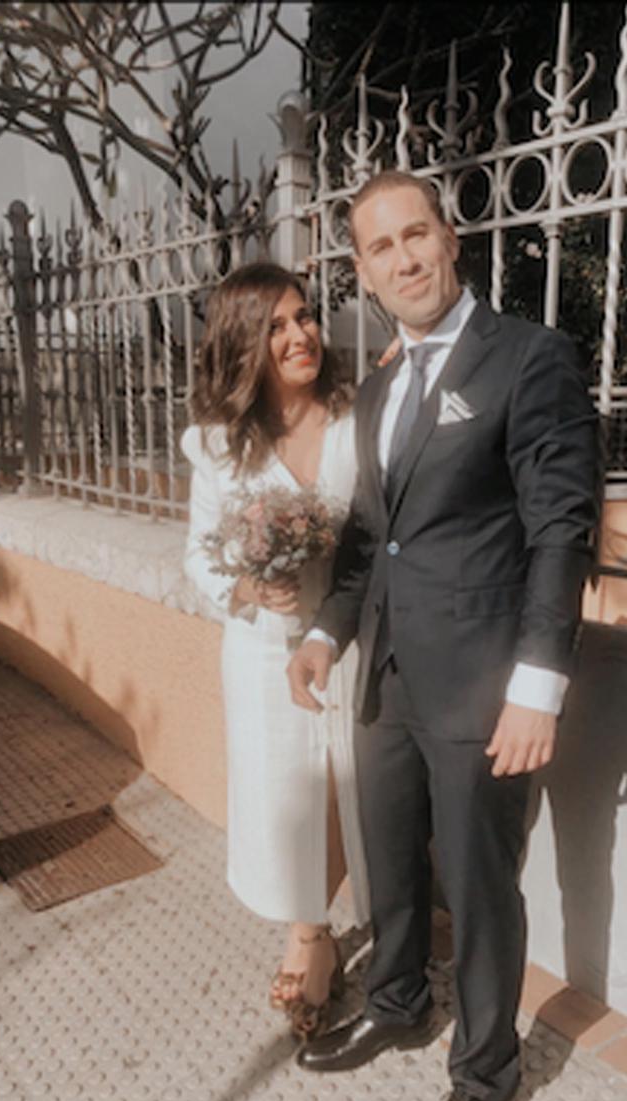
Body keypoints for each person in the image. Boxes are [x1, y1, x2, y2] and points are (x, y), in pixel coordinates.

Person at [287, 171, 601, 1101]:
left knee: (477, 881)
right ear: (364, 269)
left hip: (480, 684)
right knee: (389, 861)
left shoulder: (528, 358)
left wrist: (537, 684)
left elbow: (560, 527)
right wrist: (329, 631)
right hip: (382, 674)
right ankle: (394, 1000)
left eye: (415, 234)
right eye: (380, 248)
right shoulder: (380, 384)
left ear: (449, 238)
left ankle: (487, 1072)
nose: (403, 258)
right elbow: (373, 537)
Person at [182, 262, 370, 1041]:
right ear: (243, 344)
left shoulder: (360, 418)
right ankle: (310, 935)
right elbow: (197, 552)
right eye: (277, 327)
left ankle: (379, 918)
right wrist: (250, 590)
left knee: (355, 789)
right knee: (286, 797)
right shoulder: (217, 443)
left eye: (305, 317)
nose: (300, 336)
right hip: (262, 652)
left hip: (352, 637)